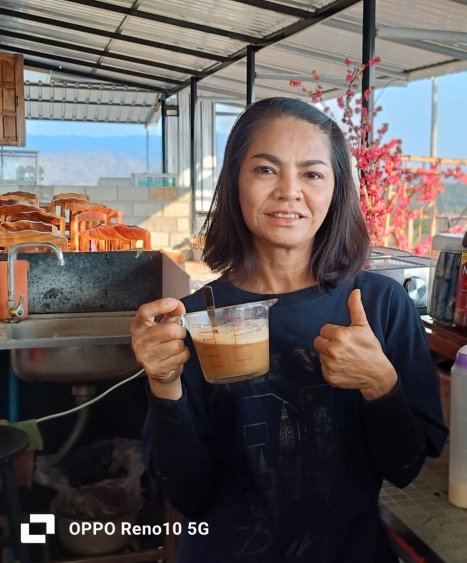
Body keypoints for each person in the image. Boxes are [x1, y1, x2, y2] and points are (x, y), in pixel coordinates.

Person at [130, 97, 447, 562]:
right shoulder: (195, 318)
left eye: (312, 174)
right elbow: (188, 496)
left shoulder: (378, 305)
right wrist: (164, 384)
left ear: (336, 190)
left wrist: (381, 384)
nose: (289, 191)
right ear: (235, 180)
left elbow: (404, 468)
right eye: (265, 170)